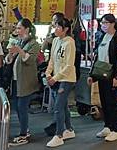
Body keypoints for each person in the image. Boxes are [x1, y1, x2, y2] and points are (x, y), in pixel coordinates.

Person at [88, 13, 117, 142]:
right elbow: (98, 57)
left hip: (113, 76)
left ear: (112, 23)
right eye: (102, 23)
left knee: (111, 103)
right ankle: (107, 126)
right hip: (102, 75)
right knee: (104, 102)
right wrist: (92, 75)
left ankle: (115, 129)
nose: (103, 25)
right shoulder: (103, 37)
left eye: (105, 23)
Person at [7, 19, 41, 147]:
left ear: (27, 29)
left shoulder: (34, 44)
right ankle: (24, 130)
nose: (17, 31)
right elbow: (9, 61)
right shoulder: (18, 42)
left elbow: (29, 60)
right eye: (16, 28)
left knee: (22, 106)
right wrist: (10, 54)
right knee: (17, 106)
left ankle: (23, 133)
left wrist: (19, 50)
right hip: (15, 80)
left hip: (25, 81)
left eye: (19, 28)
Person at [45, 18, 77, 148]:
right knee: (63, 106)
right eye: (55, 27)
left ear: (66, 29)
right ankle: (69, 129)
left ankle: (58, 135)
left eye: (58, 27)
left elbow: (69, 65)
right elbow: (52, 60)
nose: (55, 29)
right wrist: (48, 73)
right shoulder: (55, 41)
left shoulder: (70, 43)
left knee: (58, 107)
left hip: (67, 79)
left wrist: (55, 78)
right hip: (56, 78)